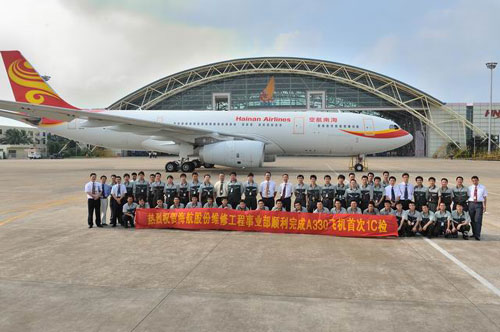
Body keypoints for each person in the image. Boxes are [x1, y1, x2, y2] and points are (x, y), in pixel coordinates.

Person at [468, 176, 487, 241]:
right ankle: (474, 233)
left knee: (478, 220)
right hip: (471, 204)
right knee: (472, 220)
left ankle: (477, 235)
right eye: (473, 181)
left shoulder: (482, 187)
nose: (474, 182)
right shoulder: (469, 188)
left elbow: (484, 197)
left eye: (475, 180)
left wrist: (484, 206)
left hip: (479, 204)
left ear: (478, 180)